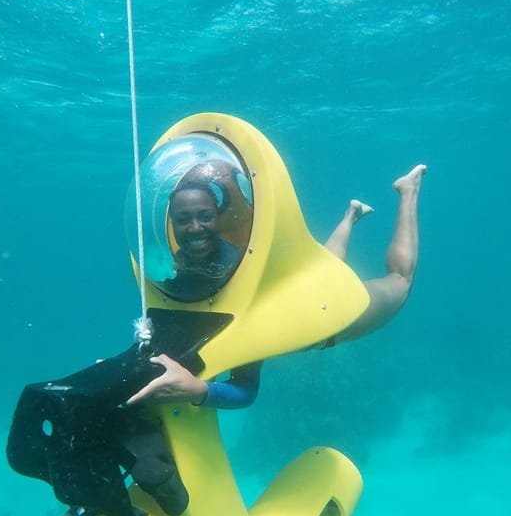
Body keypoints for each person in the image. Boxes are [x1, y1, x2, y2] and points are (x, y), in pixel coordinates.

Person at [127, 163, 428, 409]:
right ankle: (352, 215)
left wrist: (200, 390)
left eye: (204, 217)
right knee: (327, 267)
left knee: (400, 282)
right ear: (171, 224)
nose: (194, 228)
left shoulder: (242, 282)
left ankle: (408, 190)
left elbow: (246, 389)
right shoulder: (184, 265)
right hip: (308, 283)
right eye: (183, 219)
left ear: (218, 217)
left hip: (331, 319)